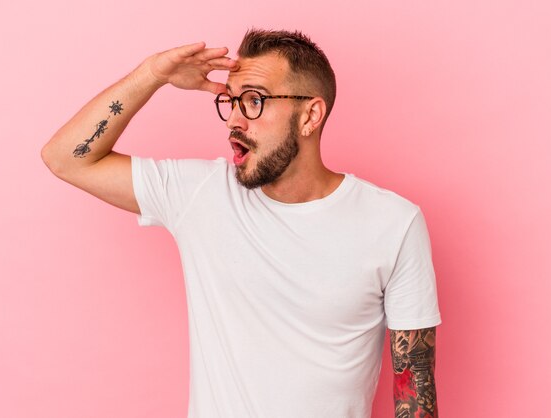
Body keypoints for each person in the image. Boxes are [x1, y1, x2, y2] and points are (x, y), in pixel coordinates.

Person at [42, 29, 441, 418]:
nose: (234, 120)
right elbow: (66, 157)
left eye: (253, 100)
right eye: (231, 102)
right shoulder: (202, 195)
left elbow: (415, 392)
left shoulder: (393, 223)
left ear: (310, 115)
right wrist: (152, 75)